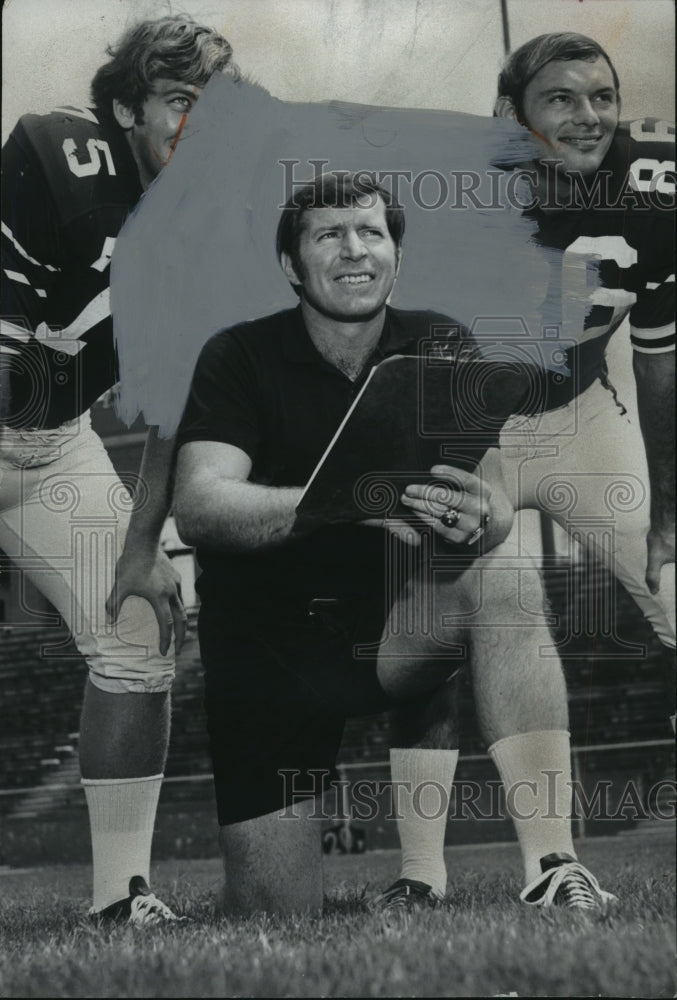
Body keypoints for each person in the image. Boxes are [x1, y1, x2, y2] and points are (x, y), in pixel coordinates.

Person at [173, 172, 612, 915]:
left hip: (389, 633)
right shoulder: (238, 356)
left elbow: (496, 506)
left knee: (500, 571)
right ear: (291, 264)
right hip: (269, 650)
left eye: (371, 233)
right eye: (329, 235)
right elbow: (200, 504)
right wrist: (337, 504)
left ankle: (553, 864)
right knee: (275, 910)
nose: (354, 250)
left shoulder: (439, 340)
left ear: (395, 256)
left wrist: (482, 517)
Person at [382, 31, 674, 911]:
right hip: (473, 429)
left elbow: (660, 357)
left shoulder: (653, 182)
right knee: (455, 620)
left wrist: (666, 512)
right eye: (560, 99)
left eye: (600, 95)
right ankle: (436, 870)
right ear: (511, 117)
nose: (588, 115)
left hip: (588, 417)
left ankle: (547, 869)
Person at [0, 15, 238, 923]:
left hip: (50, 441)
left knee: (139, 627)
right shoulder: (57, 157)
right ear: (127, 107)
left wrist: (144, 550)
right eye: (180, 102)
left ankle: (119, 896)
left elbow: (179, 403)